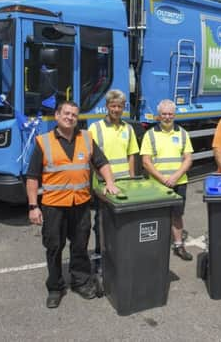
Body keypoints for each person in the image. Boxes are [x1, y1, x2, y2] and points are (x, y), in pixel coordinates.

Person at [26, 100, 119, 309]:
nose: (70, 117)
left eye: (74, 115)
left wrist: (110, 182)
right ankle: (55, 287)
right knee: (53, 247)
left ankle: (81, 282)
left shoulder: (86, 138)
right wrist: (33, 207)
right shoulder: (44, 142)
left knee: (80, 245)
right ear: (57, 116)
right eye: (66, 113)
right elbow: (32, 177)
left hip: (81, 204)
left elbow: (102, 163)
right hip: (53, 206)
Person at [87, 90, 139, 261]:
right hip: (102, 184)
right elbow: (90, 157)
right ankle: (100, 252)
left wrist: (131, 179)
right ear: (107, 107)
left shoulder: (128, 128)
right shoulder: (95, 128)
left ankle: (120, 250)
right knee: (101, 221)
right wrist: (102, 178)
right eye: (113, 106)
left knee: (123, 219)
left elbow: (131, 155)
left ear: (124, 107)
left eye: (120, 106)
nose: (116, 109)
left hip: (124, 183)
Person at [140, 99, 194, 261]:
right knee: (155, 216)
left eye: (170, 114)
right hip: (157, 184)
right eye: (164, 114)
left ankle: (178, 245)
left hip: (179, 182)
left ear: (174, 115)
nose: (167, 117)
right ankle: (154, 246)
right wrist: (163, 179)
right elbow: (146, 161)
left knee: (177, 215)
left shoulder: (183, 133)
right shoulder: (150, 134)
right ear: (159, 115)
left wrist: (175, 177)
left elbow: (188, 159)